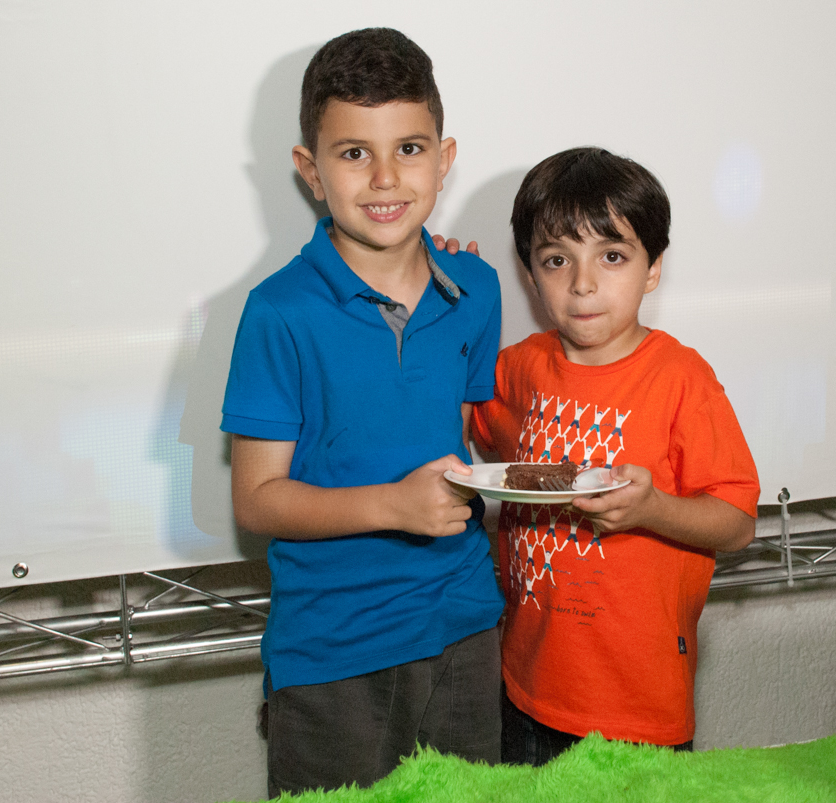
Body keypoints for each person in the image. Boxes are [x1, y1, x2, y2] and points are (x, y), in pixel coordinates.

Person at [221, 28, 503, 796]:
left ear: (444, 161)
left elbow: (474, 443)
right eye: (354, 154)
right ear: (311, 171)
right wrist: (395, 505)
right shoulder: (277, 312)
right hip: (333, 651)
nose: (386, 178)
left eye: (410, 150)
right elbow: (256, 498)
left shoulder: (477, 289)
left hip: (466, 628)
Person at [469, 147, 760, 765]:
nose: (582, 283)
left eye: (612, 256)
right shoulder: (520, 369)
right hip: (523, 688)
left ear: (653, 268)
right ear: (530, 274)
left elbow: (736, 521)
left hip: (638, 708)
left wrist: (653, 509)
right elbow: (459, 421)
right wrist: (445, 299)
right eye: (556, 260)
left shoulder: (682, 379)